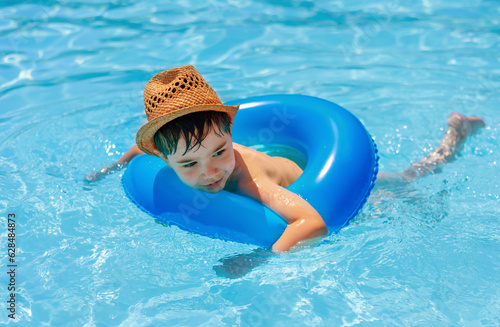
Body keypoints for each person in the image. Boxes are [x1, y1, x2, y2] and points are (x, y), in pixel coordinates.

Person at [85, 65, 485, 255]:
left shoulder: (247, 181)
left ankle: (454, 138)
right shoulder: (160, 150)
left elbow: (311, 221)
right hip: (287, 165)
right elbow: (138, 152)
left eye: (220, 152)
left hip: (340, 193)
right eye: (189, 164)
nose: (209, 172)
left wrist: (259, 258)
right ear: (164, 157)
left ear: (230, 134)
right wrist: (109, 170)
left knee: (409, 181)